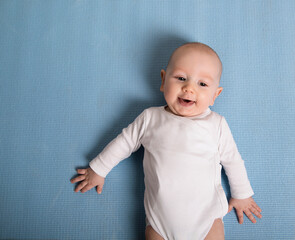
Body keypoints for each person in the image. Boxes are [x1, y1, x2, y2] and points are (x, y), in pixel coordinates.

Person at [71, 42, 262, 240]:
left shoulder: (216, 124)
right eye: (181, 78)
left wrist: (241, 194)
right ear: (163, 80)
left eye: (202, 84)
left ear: (215, 94)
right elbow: (124, 143)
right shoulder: (150, 118)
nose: (189, 88)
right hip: (159, 223)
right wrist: (99, 169)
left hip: (207, 219)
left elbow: (233, 160)